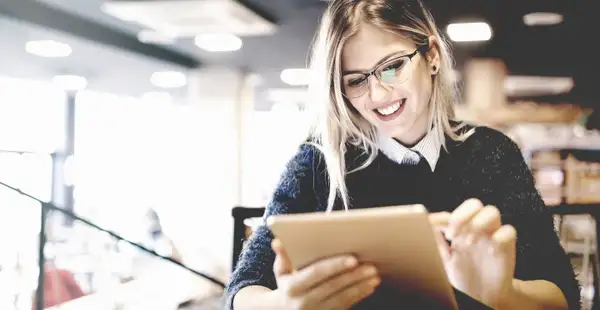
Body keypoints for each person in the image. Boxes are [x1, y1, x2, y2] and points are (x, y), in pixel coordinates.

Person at [225, 0, 580, 309]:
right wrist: (282, 305)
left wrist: (503, 296)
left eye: (392, 66)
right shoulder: (317, 162)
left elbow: (560, 293)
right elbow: (241, 290)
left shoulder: (492, 154)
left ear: (433, 56)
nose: (379, 95)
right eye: (356, 80)